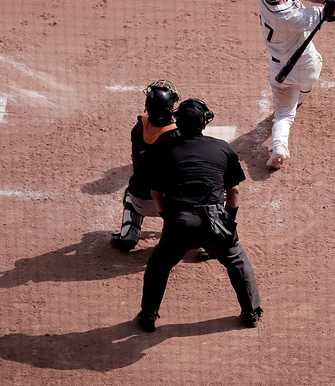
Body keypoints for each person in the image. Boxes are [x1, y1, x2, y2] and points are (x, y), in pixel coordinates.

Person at [136, 98, 263, 333]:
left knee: (159, 265)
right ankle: (252, 313)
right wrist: (228, 221)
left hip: (180, 223)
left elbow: (156, 193)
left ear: (178, 123)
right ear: (204, 124)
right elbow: (233, 191)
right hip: (216, 223)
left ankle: (148, 316)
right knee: (237, 261)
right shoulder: (223, 148)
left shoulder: (162, 150)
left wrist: (169, 219)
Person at [257, 0, 335, 170]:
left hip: (280, 70)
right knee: (304, 88)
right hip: (307, 67)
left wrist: (327, 2)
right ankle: (302, 95)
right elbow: (326, 15)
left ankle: (278, 146)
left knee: (284, 114)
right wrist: (332, 9)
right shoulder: (292, 17)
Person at [111, 79, 180, 252]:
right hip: (172, 206)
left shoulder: (138, 128)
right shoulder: (179, 133)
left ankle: (129, 234)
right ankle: (201, 240)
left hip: (139, 200)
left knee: (132, 187)